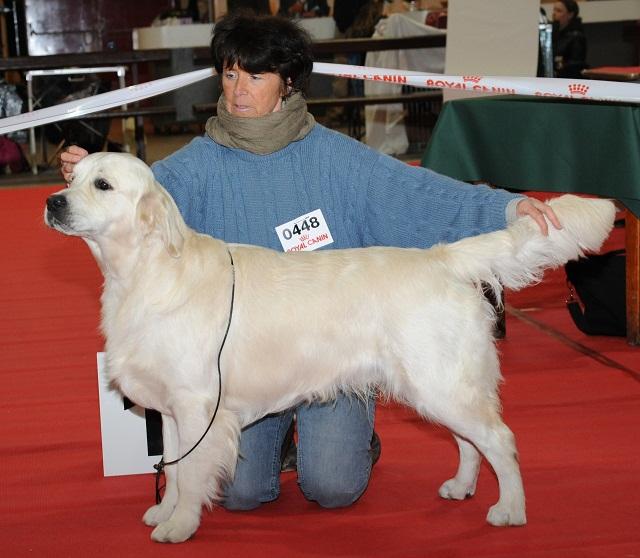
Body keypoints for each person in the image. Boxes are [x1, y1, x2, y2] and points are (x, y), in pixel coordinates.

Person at [60, 12, 560, 512]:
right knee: (240, 492)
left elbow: (417, 194)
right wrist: (90, 175)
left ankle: (348, 438)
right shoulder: (192, 167)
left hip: (335, 346)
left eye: (256, 76)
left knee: (334, 487)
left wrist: (504, 208)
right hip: (247, 363)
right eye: (230, 74)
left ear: (288, 82)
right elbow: (130, 195)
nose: (238, 90)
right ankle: (276, 437)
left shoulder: (336, 158)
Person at [552, 0, 587, 79]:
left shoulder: (577, 36)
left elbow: (576, 64)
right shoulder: (553, 32)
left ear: (570, 15)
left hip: (569, 78)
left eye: (559, 11)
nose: (554, 13)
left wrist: (558, 65)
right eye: (554, 10)